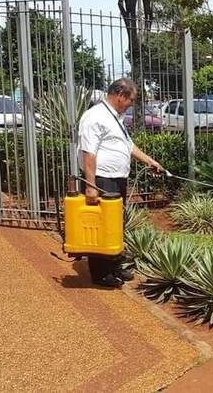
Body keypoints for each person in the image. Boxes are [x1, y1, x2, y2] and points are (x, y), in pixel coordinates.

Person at [78, 78, 164, 287]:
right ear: (120, 95)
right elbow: (89, 153)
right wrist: (91, 186)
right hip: (100, 181)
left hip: (116, 180)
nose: (131, 104)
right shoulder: (95, 116)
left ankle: (114, 266)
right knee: (101, 225)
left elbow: (128, 145)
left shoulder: (115, 117)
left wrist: (150, 161)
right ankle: (101, 274)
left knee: (115, 225)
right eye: (131, 100)